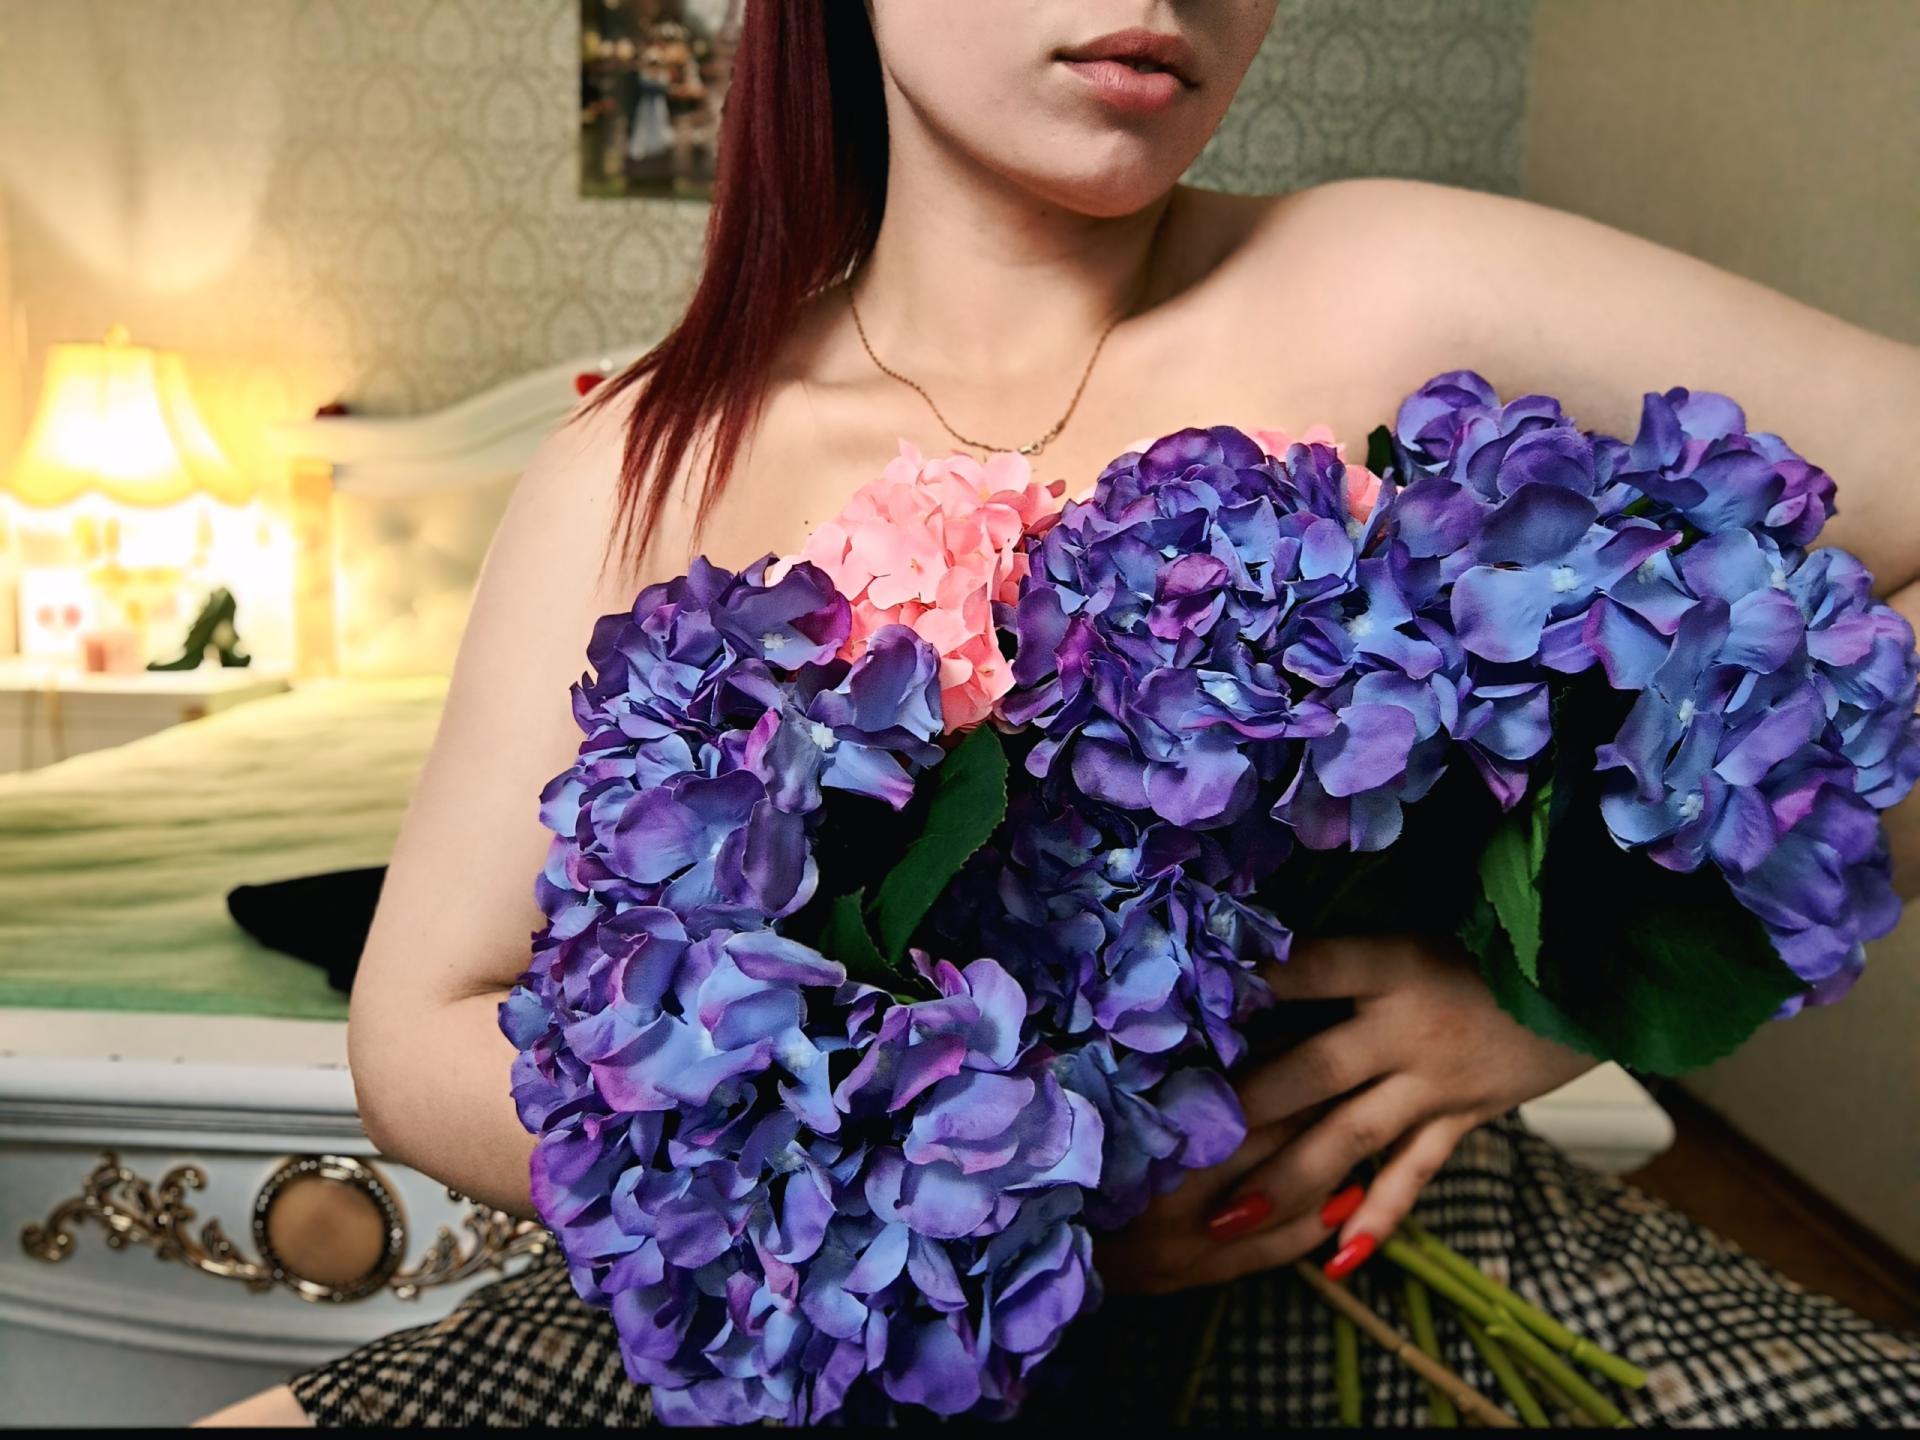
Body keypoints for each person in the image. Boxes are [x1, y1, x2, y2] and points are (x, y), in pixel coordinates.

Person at [200, 1, 1920, 1427]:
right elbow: (418, 1032)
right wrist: (962, 1191)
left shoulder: (1393, 276)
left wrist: (1547, 1006)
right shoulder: (648, 462)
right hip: (858, 1336)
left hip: (1379, 1262)